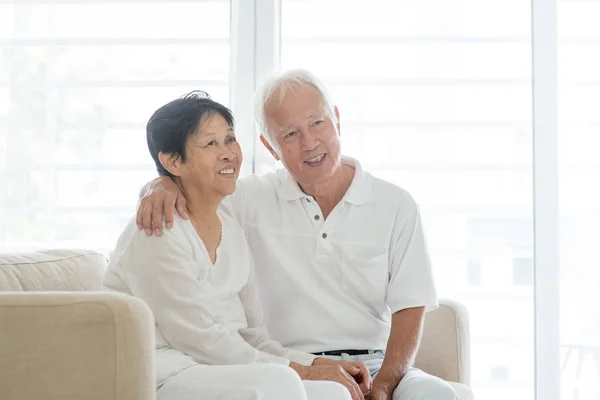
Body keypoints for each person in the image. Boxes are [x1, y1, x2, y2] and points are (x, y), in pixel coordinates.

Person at [137, 70, 459, 400]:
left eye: (317, 123)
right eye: (290, 134)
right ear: (270, 147)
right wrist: (159, 183)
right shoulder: (246, 199)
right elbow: (195, 190)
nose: (309, 143)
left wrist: (384, 386)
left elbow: (410, 307)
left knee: (437, 395)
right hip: (289, 364)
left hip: (376, 365)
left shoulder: (395, 204)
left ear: (336, 119)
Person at [103, 91, 370, 400]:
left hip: (218, 366)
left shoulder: (229, 227)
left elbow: (250, 336)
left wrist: (315, 363)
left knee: (334, 393)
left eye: (229, 139)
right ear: (172, 160)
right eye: (211, 144)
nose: (228, 153)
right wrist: (299, 371)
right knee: (278, 384)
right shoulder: (158, 230)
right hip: (163, 372)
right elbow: (198, 338)